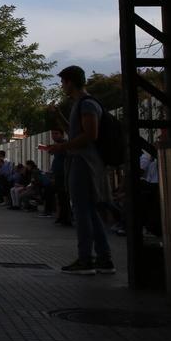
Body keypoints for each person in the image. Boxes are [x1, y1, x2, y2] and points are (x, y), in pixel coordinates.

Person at [47, 66, 114, 275]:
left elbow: (90, 135)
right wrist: (59, 115)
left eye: (63, 82)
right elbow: (76, 131)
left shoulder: (87, 105)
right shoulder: (80, 104)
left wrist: (62, 147)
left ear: (70, 82)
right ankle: (104, 258)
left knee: (81, 210)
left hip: (83, 162)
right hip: (82, 161)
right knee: (90, 211)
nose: (62, 86)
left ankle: (86, 259)